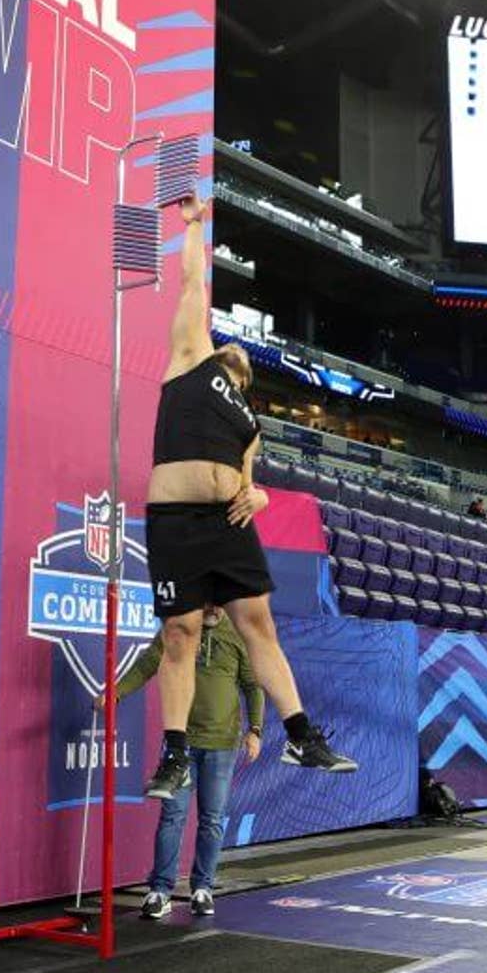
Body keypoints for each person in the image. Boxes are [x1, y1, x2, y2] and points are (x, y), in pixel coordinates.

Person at [143, 193, 353, 802]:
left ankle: (300, 733)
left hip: (226, 523)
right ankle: (175, 753)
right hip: (176, 518)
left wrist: (257, 498)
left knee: (257, 623)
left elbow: (248, 479)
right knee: (181, 632)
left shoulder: (250, 421)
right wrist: (194, 228)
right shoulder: (192, 355)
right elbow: (190, 284)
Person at [105, 604, 262, 919]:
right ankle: (160, 891)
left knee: (212, 820)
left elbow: (252, 685)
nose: (214, 608)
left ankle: (202, 888)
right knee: (172, 816)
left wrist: (255, 729)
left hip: (222, 745)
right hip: (181, 745)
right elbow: (147, 664)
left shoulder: (238, 634)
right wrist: (116, 693)